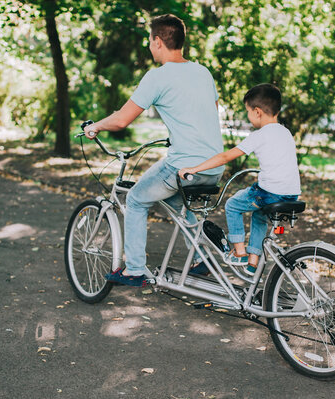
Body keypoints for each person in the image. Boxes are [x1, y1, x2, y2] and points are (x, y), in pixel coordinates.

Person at [83, 14, 225, 287]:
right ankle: (201, 259)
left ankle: (135, 269)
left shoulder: (157, 77)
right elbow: (209, 113)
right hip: (214, 166)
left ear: (158, 41)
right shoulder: (203, 72)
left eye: (150, 41)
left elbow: (122, 119)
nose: (149, 46)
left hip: (184, 167)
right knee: (176, 202)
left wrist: (95, 127)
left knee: (136, 199)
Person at [179, 83, 301, 275]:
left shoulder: (259, 135)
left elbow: (225, 157)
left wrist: (194, 168)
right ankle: (253, 263)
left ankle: (240, 252)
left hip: (270, 193)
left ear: (257, 112)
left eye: (248, 112)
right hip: (291, 194)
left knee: (233, 205)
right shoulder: (285, 132)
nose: (248, 116)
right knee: (259, 215)